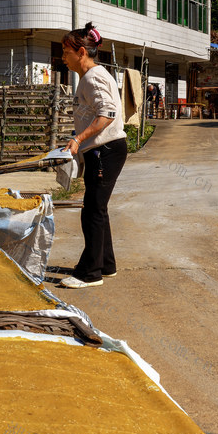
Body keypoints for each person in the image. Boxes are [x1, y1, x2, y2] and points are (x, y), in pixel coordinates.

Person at [59, 23, 127, 289]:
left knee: (92, 212)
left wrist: (78, 139)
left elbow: (107, 114)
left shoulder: (93, 77)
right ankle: (105, 264)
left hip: (106, 150)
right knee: (98, 209)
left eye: (66, 52)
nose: (63, 57)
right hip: (104, 150)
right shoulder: (91, 76)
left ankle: (90, 273)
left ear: (81, 52)